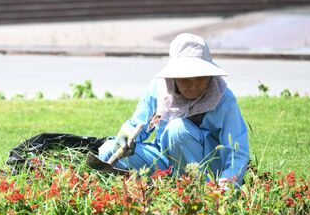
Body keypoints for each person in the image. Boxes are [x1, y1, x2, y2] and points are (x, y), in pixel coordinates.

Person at [98, 33, 249, 186]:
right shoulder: (159, 89)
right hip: (165, 158)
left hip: (207, 168)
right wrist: (125, 137)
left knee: (177, 129)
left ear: (209, 75)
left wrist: (226, 188)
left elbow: (236, 152)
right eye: (185, 79)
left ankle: (199, 190)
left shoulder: (223, 98)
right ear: (173, 77)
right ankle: (166, 183)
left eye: (199, 77)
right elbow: (138, 123)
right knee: (107, 150)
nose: (192, 85)